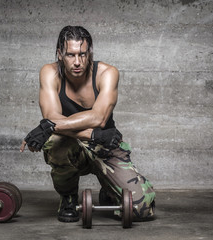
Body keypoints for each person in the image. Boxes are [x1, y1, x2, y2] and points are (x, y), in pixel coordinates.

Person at [20, 25, 155, 223]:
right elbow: (52, 118)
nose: (77, 62)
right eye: (70, 55)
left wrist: (50, 126)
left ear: (90, 52)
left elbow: (98, 118)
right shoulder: (49, 73)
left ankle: (109, 190)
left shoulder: (107, 73)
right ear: (59, 54)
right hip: (74, 145)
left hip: (106, 145)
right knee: (55, 143)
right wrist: (92, 135)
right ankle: (68, 197)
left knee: (141, 208)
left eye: (83, 55)